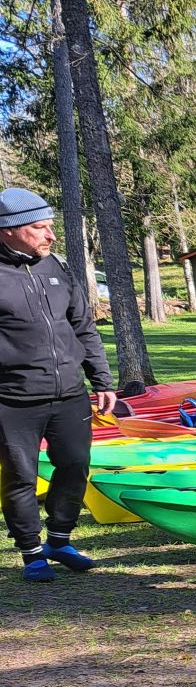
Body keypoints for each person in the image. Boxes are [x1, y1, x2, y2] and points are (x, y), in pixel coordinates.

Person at [0, 186, 116, 581]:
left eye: (50, 226)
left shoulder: (57, 267)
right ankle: (32, 552)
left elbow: (82, 326)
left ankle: (60, 539)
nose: (50, 235)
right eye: (39, 228)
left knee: (75, 465)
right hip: (12, 400)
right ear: (9, 230)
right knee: (21, 475)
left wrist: (102, 380)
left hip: (69, 393)